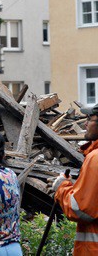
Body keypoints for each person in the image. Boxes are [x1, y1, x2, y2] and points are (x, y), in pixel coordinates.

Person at [52, 105, 98, 255]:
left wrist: (61, 187)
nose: (85, 123)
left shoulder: (95, 158)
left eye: (89, 119)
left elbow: (81, 209)